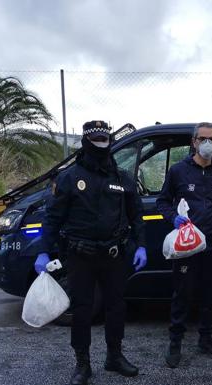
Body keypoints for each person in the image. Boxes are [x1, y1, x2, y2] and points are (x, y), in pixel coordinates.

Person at [34, 120, 147, 385]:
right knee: (83, 310)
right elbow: (52, 218)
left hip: (114, 255)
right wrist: (43, 251)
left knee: (116, 307)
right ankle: (82, 364)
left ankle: (114, 356)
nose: (100, 144)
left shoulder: (122, 177)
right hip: (80, 256)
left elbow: (137, 215)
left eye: (104, 139)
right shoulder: (69, 178)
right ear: (86, 142)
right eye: (95, 140)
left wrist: (141, 244)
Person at [156, 122, 212, 368]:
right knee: (182, 294)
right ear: (194, 142)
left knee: (209, 296)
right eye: (202, 138)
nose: (207, 143)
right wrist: (173, 218)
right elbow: (162, 201)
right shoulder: (178, 171)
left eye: (211, 138)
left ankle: (206, 339)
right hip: (186, 245)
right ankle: (175, 342)